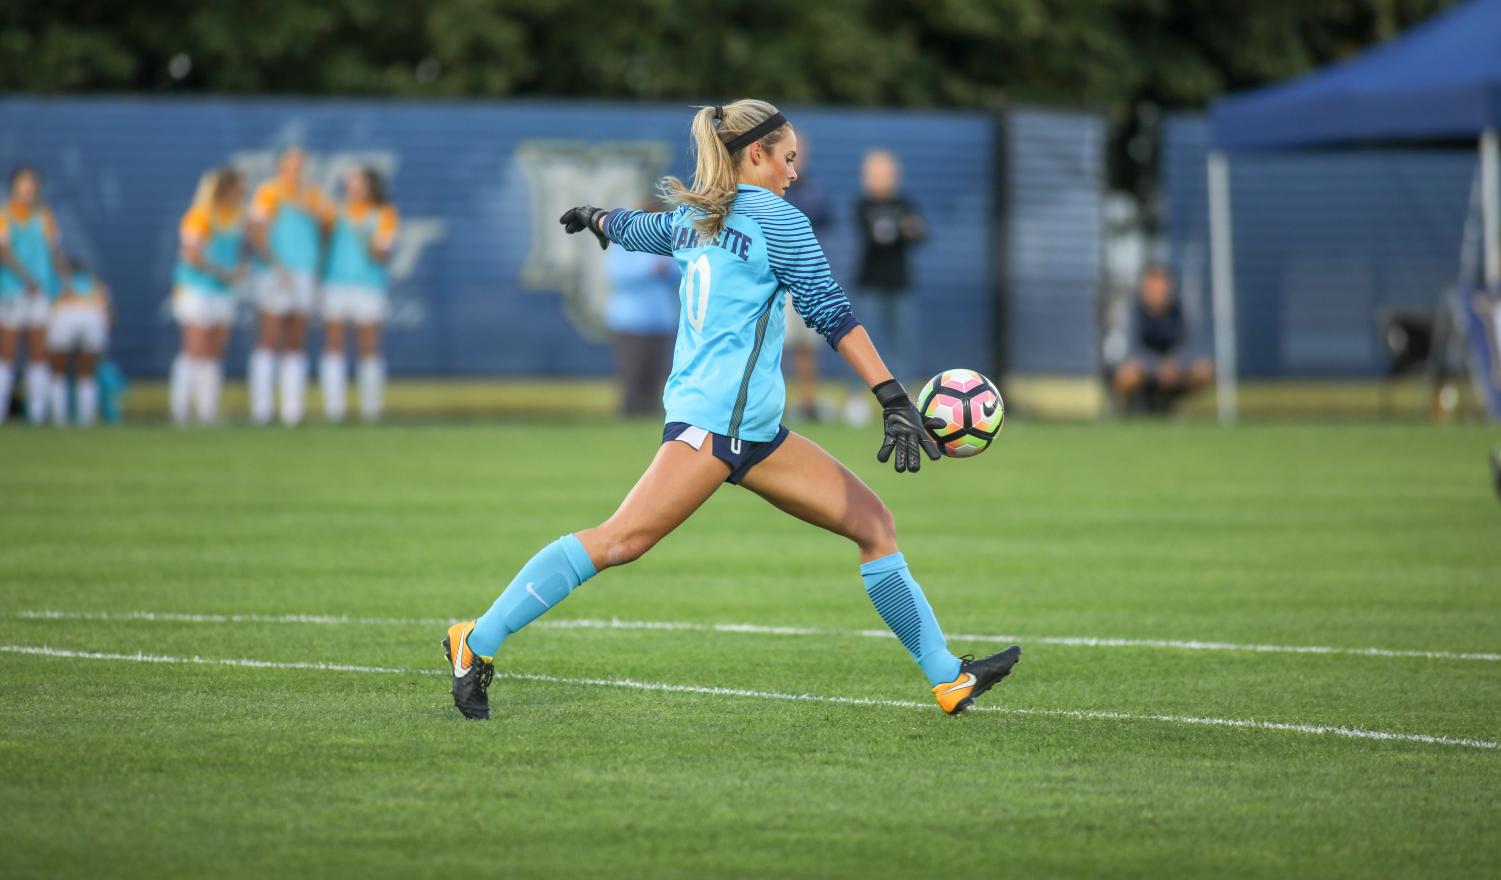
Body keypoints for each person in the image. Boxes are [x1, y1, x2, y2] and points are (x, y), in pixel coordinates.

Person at [442, 99, 1020, 721]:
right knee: (619, 541)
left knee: (873, 525)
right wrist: (892, 397)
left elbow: (640, 229)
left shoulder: (698, 218)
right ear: (757, 155)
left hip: (758, 432)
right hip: (711, 425)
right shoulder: (777, 220)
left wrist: (598, 218)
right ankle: (473, 643)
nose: (795, 172)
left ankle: (947, 678)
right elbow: (832, 313)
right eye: (788, 158)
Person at [248, 148, 331, 426]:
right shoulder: (269, 193)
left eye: (301, 165)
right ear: (281, 166)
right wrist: (275, 265)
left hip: (303, 272)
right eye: (291, 165)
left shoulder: (313, 195)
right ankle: (262, 408)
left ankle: (292, 410)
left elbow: (326, 230)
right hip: (275, 273)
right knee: (269, 338)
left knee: (296, 339)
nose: (297, 170)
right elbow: (257, 232)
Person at [320, 166, 398, 423]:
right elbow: (323, 244)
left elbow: (382, 254)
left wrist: (365, 237)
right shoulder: (334, 211)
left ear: (371, 187)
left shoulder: (384, 214)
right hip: (336, 283)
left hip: (368, 285)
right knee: (334, 346)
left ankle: (371, 409)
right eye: (350, 184)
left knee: (368, 347)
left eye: (359, 184)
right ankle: (334, 409)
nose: (354, 189)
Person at [170, 168, 247, 426]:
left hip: (222, 292)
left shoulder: (236, 216)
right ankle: (181, 410)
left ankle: (207, 411)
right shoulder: (199, 215)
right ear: (225, 189)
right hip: (196, 289)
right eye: (239, 186)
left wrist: (236, 271)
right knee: (195, 348)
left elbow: (239, 249)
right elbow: (191, 254)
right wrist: (223, 272)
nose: (243, 191)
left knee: (214, 352)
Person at [0, 166, 71, 425]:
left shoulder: (44, 216)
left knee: (39, 352)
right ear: (14, 187)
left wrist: (64, 279)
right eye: (23, 183)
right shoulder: (4, 215)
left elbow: (53, 251)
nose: (28, 188)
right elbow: (3, 251)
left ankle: (38, 413)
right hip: (11, 292)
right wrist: (25, 278)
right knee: (6, 352)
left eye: (32, 183)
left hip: (39, 292)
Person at [603, 196, 679, 417]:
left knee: (656, 381)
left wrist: (667, 269)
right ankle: (628, 421)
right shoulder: (625, 243)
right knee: (632, 379)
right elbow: (616, 274)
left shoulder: (672, 243)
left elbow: (684, 272)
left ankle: (648, 425)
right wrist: (651, 268)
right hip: (631, 322)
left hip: (661, 321)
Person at [855, 149, 924, 384]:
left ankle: (903, 395)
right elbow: (879, 236)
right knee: (861, 343)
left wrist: (901, 229)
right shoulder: (863, 204)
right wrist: (901, 228)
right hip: (869, 282)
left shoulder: (905, 203)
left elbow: (919, 234)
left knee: (902, 343)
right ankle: (858, 397)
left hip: (900, 282)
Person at [1110, 265, 1213, 413]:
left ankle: (1175, 406)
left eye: (1163, 290)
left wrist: (1176, 363)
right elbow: (1131, 350)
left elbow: (1192, 346)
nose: (1159, 294)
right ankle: (1130, 410)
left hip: (1176, 370)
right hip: (1146, 371)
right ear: (1145, 290)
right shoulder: (1132, 313)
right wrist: (1158, 366)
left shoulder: (1182, 312)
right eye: (1154, 290)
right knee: (1127, 375)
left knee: (1204, 370)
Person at [781, 136, 833, 421]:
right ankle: (772, 401)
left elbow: (823, 217)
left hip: (803, 277)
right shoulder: (772, 190)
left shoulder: (812, 189)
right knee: (773, 343)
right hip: (777, 277)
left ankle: (808, 401)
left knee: (806, 345)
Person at [45, 258, 111, 426]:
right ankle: (86, 420)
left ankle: (58, 419)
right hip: (93, 314)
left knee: (57, 371)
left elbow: (51, 307)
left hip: (66, 312)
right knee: (87, 373)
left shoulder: (55, 280)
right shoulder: (95, 283)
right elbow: (108, 312)